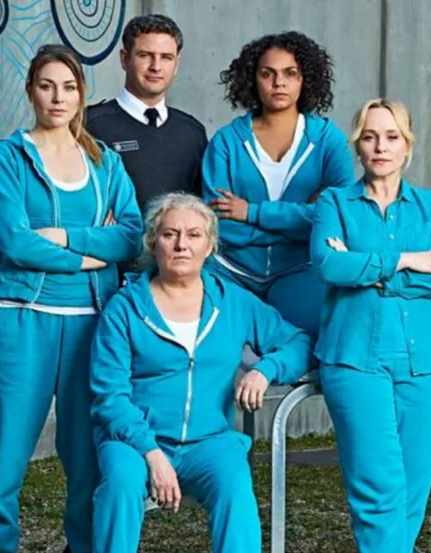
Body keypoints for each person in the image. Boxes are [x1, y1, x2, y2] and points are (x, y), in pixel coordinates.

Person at [0, 44, 142, 553]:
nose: (58, 96)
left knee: (86, 461)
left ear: (81, 94)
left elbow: (133, 238)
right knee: (2, 460)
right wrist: (95, 247)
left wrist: (67, 240)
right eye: (47, 85)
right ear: (30, 91)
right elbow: (16, 241)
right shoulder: (6, 158)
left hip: (91, 322)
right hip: (22, 320)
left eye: (69, 87)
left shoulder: (107, 163)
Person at [91, 192, 312, 553]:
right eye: (170, 234)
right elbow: (109, 398)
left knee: (235, 484)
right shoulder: (124, 309)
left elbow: (299, 342)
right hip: (135, 443)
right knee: (120, 480)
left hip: (209, 440)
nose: (182, 245)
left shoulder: (233, 301)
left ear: (210, 246)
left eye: (194, 235)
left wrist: (265, 369)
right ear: (152, 242)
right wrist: (151, 453)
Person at [310, 99, 431, 553]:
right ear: (358, 144)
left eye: (392, 137)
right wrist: (406, 260)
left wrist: (367, 270)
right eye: (371, 137)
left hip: (428, 362)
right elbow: (328, 265)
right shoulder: (333, 202)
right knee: (377, 490)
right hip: (354, 357)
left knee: (412, 495)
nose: (380, 146)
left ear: (407, 146)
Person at [203, 31, 355, 336]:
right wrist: (302, 222)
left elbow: (339, 220)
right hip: (232, 272)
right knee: (220, 357)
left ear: (305, 79)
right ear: (252, 79)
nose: (279, 83)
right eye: (267, 73)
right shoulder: (226, 142)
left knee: (311, 348)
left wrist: (252, 213)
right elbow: (218, 226)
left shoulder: (328, 142)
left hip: (300, 272)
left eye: (290, 73)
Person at [86, 14, 206, 209]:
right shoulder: (89, 125)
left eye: (166, 57)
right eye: (145, 55)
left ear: (176, 64)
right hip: (111, 240)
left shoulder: (193, 133)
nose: (156, 67)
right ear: (124, 59)